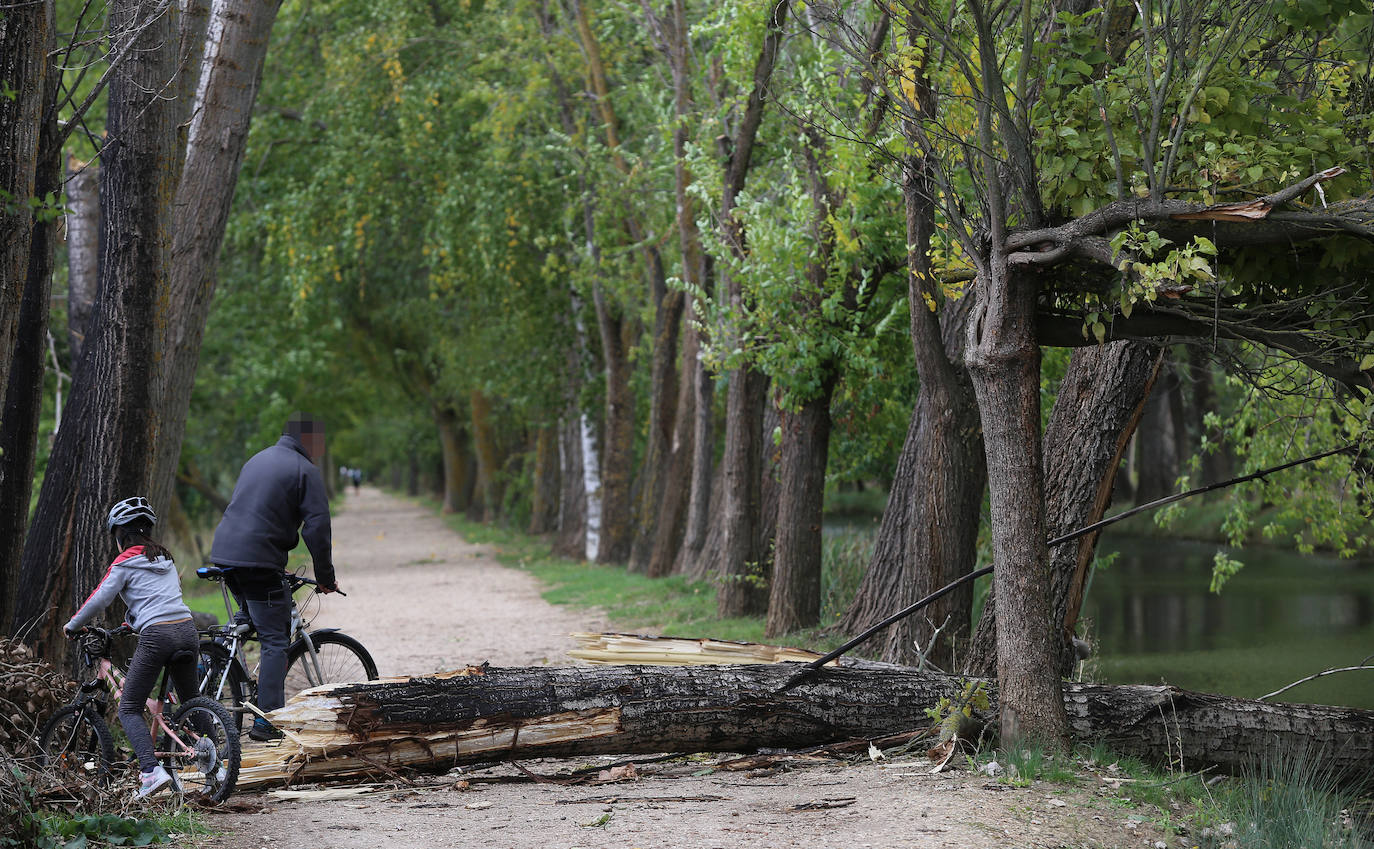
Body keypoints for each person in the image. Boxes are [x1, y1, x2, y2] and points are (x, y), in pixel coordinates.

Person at [209, 413, 341, 742]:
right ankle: (267, 722)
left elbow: (257, 513)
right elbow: (317, 528)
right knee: (275, 641)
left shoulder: (258, 459)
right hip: (257, 563)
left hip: (226, 556)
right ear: (309, 439)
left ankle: (215, 672)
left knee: (250, 615)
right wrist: (325, 577)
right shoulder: (305, 471)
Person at [64, 496, 199, 799]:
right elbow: (162, 598)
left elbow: (100, 598)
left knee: (128, 708)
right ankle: (216, 757)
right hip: (187, 629)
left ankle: (150, 774)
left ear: (120, 534)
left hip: (158, 636)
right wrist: (132, 622)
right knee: (192, 700)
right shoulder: (164, 557)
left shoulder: (123, 561)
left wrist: (72, 625)